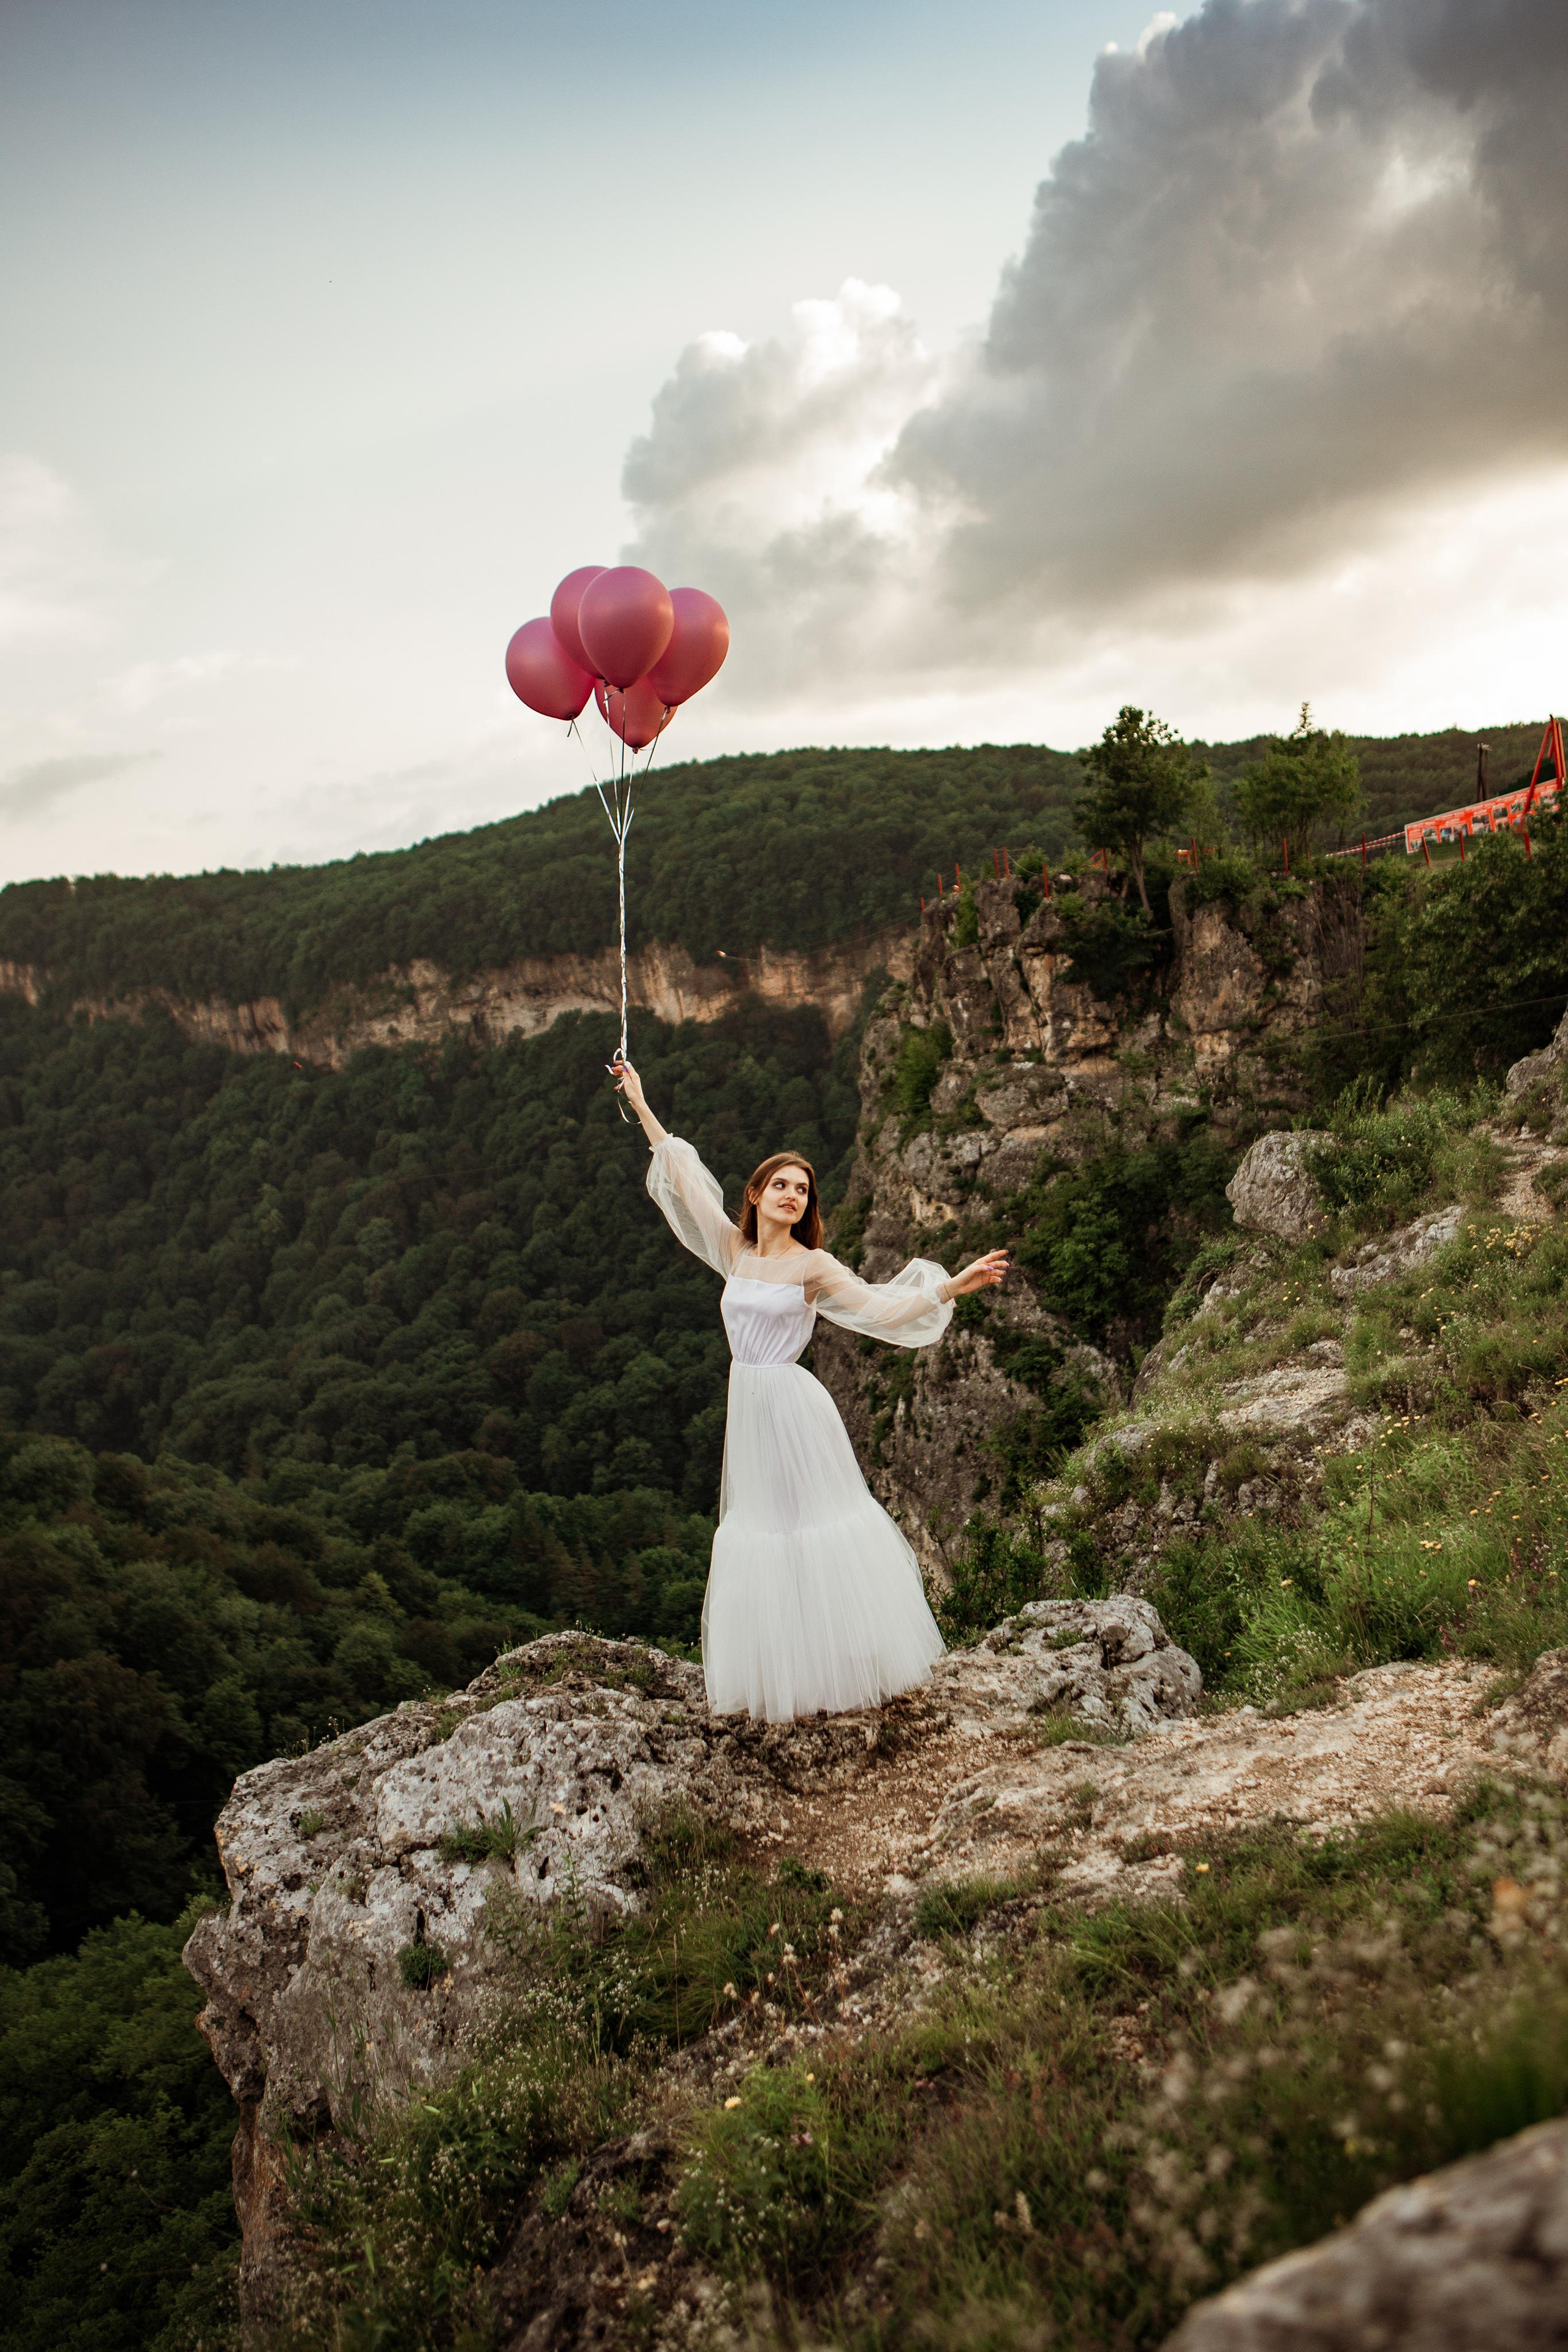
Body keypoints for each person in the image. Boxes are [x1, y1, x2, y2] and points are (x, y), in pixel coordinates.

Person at [614, 1055, 1010, 1722]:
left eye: (802, 1189)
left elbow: (879, 1311)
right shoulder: (735, 1251)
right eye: (781, 1185)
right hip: (750, 1408)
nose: (793, 1195)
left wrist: (947, 1287)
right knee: (763, 1532)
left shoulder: (812, 1264)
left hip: (795, 1409)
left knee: (814, 1531)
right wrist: (642, 1103)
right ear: (755, 1193)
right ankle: (790, 1681)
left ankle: (849, 1671)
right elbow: (682, 1177)